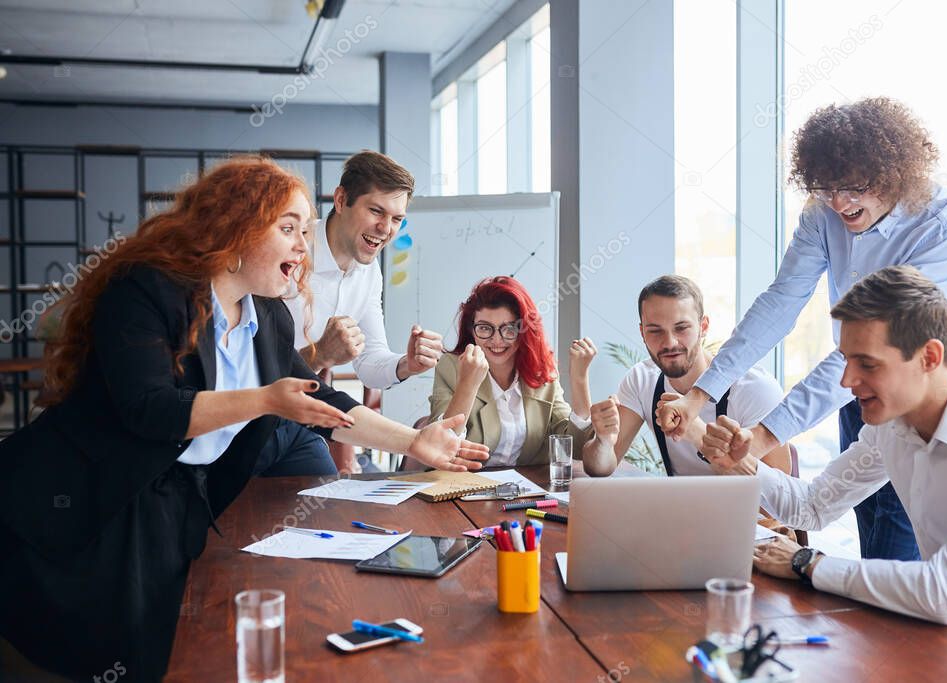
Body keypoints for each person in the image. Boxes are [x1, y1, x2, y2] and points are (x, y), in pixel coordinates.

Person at [0, 157, 487, 681]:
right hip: (82, 495)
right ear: (236, 229)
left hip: (169, 496)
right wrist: (266, 400)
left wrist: (417, 442)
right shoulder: (147, 289)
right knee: (76, 649)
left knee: (158, 650)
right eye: (289, 229)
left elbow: (321, 401)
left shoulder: (267, 314)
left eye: (304, 230)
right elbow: (151, 410)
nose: (304, 246)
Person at [657, 97, 947, 561]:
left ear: (894, 173)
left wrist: (765, 437)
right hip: (869, 401)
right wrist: (700, 395)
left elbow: (876, 351)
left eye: (853, 187)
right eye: (826, 187)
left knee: (899, 552)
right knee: (870, 536)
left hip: (928, 404)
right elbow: (781, 304)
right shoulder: (824, 213)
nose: (839, 203)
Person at [702, 266, 947, 656]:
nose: (846, 381)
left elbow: (945, 592)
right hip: (946, 646)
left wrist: (807, 562)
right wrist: (742, 463)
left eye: (867, 364)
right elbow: (812, 507)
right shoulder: (893, 425)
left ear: (929, 356)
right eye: (846, 361)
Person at [257, 150, 445, 476]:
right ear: (342, 200)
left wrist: (406, 364)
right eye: (376, 211)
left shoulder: (368, 273)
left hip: (304, 419)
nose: (386, 228)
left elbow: (370, 363)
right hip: (253, 420)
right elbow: (259, 370)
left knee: (328, 503)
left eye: (397, 219)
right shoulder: (288, 256)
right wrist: (321, 355)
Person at [582, 275, 790, 476]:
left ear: (703, 327)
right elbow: (600, 468)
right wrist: (603, 442)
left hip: (743, 512)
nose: (670, 342)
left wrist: (697, 433)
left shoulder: (754, 388)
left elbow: (778, 501)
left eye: (681, 328)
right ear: (642, 333)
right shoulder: (642, 380)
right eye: (655, 331)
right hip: (680, 509)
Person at [428, 276, 594, 466]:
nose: (497, 340)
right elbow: (439, 447)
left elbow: (576, 447)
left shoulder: (541, 371)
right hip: (462, 487)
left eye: (508, 329)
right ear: (471, 330)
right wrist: (467, 383)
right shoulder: (451, 367)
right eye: (484, 328)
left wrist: (579, 379)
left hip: (524, 491)